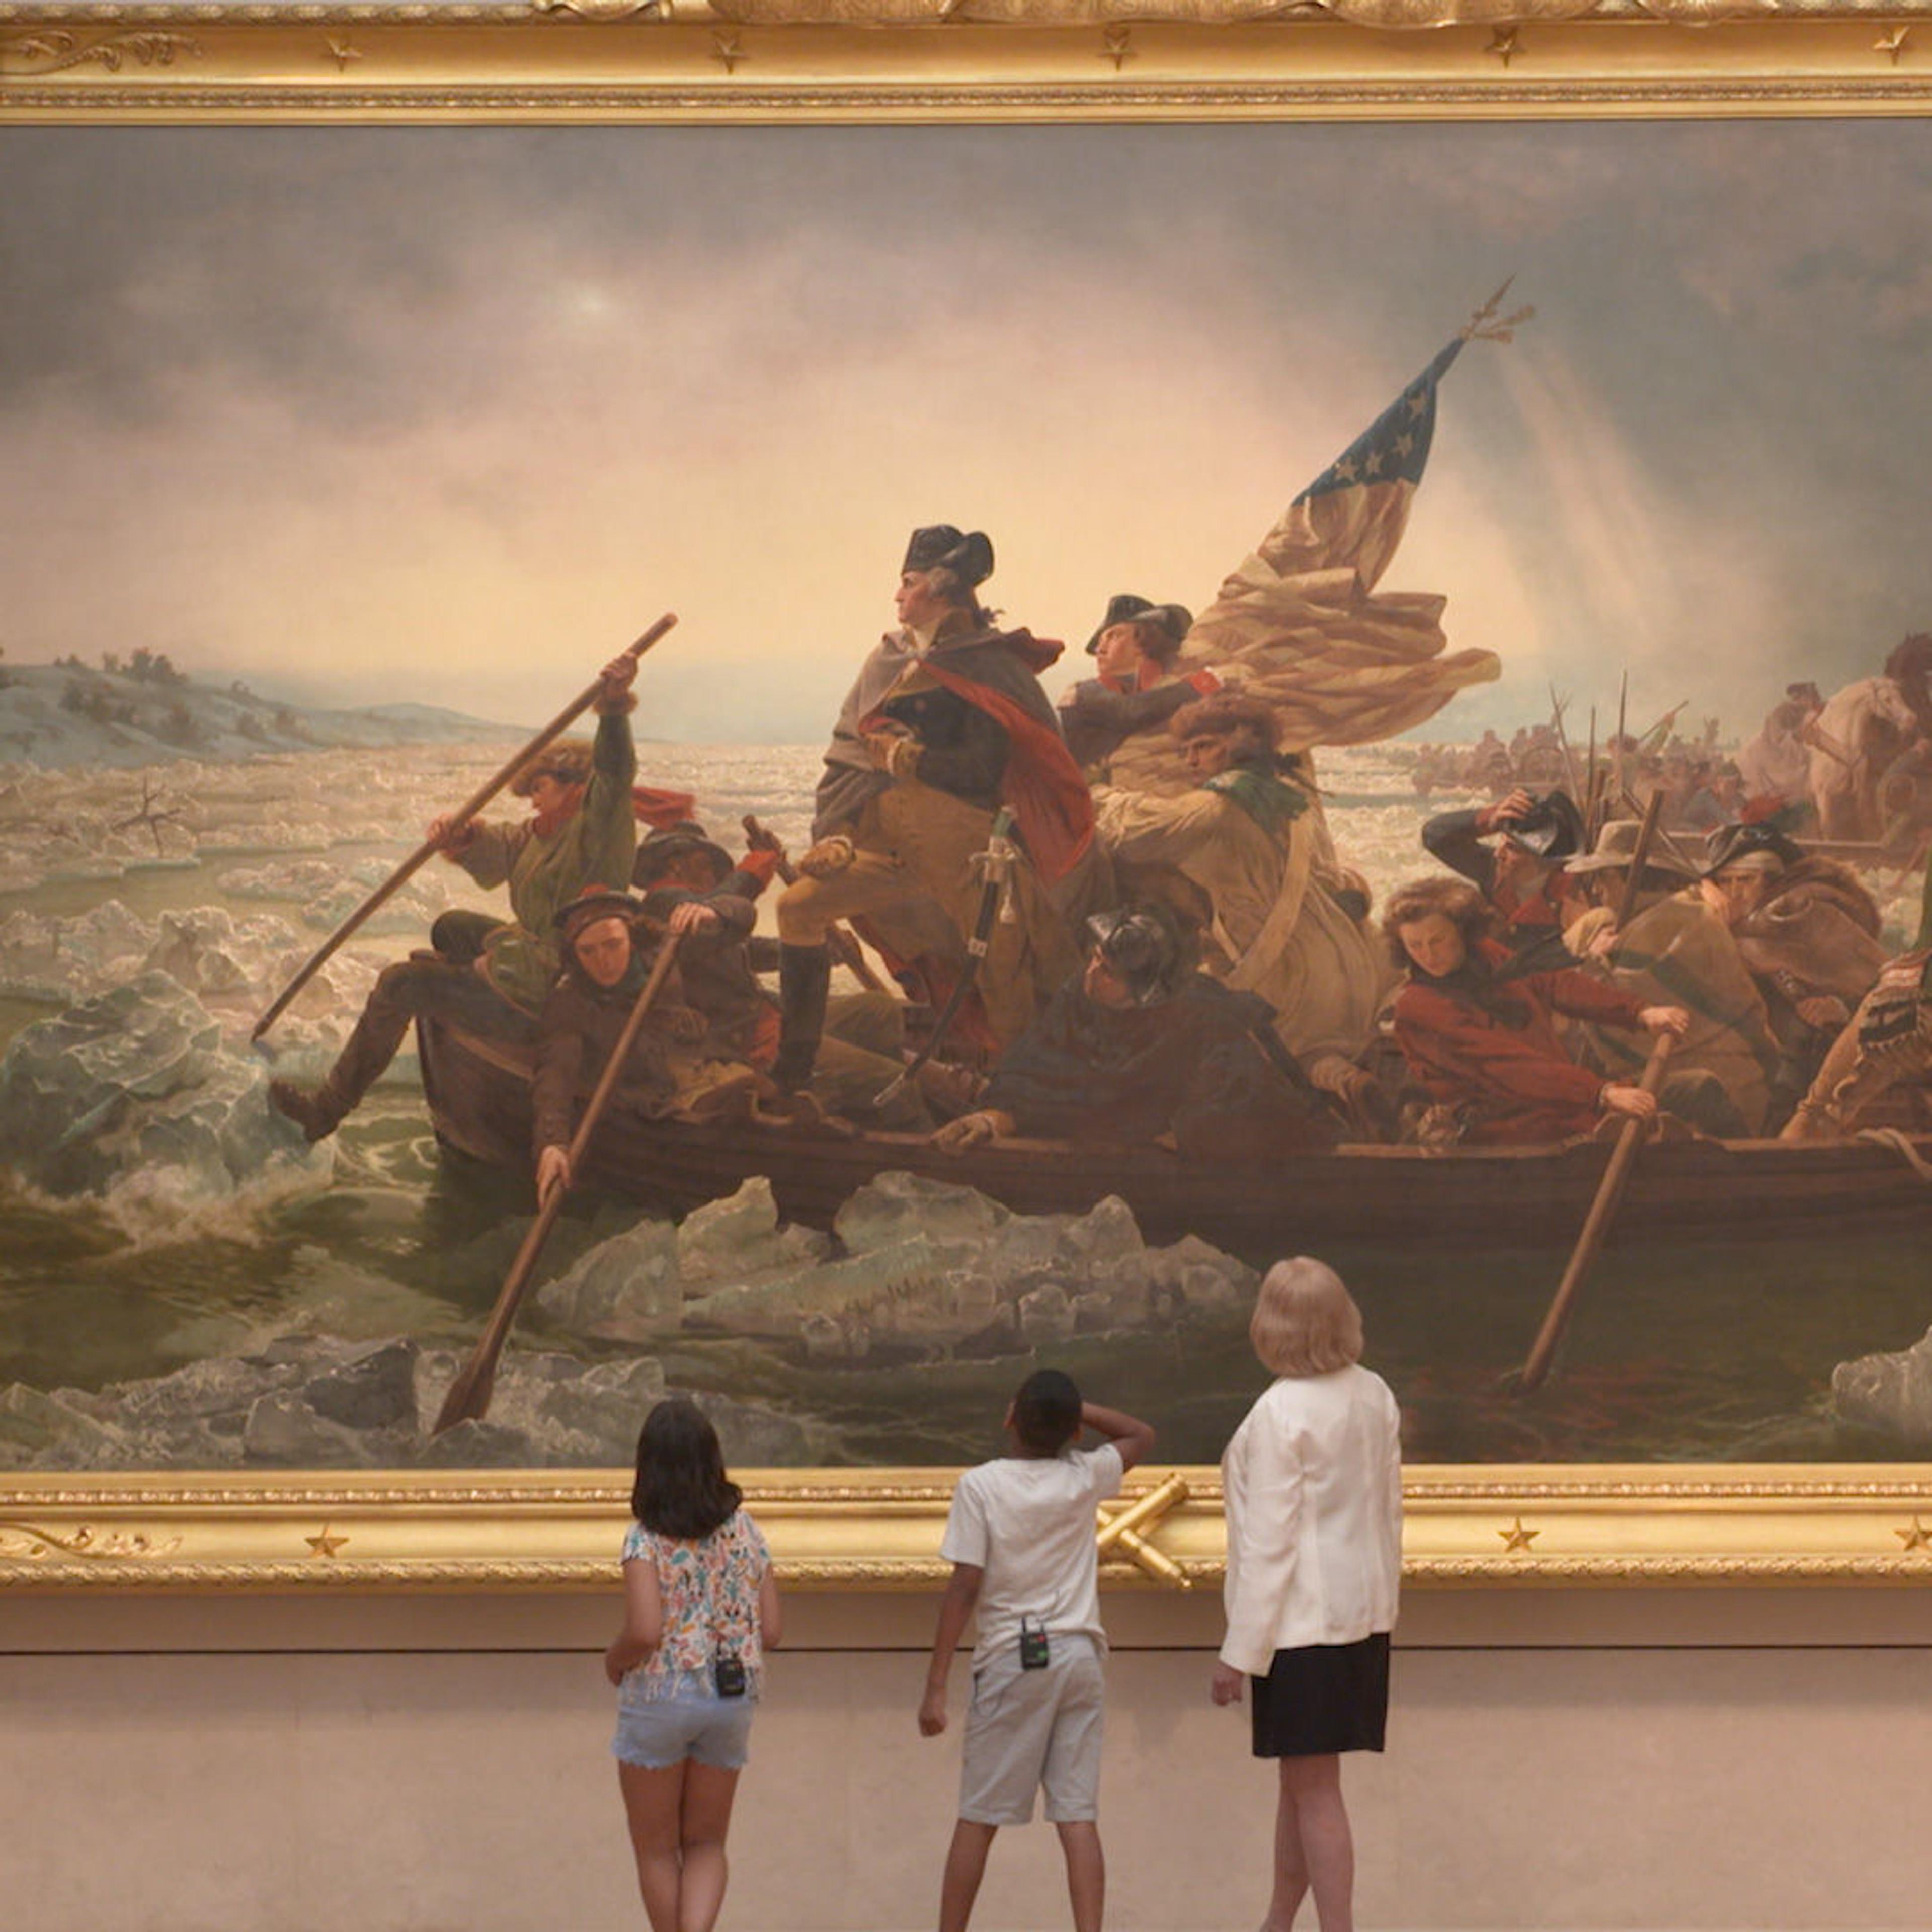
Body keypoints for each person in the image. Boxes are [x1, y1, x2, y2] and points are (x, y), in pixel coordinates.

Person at [774, 524, 1098, 1089]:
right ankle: (793, 1071)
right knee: (798, 911)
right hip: (884, 841)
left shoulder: (989, 665)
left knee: (1003, 967)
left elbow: (983, 770)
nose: (897, 596)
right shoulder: (889, 658)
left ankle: (1022, 1093)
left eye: (909, 583)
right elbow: (848, 755)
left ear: (943, 588)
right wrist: (834, 834)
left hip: (969, 845)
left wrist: (908, 760)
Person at [270, 650, 641, 1142]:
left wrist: (614, 710)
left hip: (562, 982)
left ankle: (327, 1109)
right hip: (531, 954)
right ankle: (459, 990)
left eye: (541, 787)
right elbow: (502, 844)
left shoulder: (598, 829)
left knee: (400, 984)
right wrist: (459, 834)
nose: (531, 799)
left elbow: (614, 774)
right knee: (450, 927)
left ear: (576, 787)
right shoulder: (540, 834)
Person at [918, 1370, 1155, 1932]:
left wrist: (935, 1685)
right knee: (1077, 1816)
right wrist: (1078, 1412)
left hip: (1014, 1656)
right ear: (1072, 1433)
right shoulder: (1084, 1473)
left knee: (979, 1814)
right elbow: (1141, 1435)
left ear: (1010, 1418)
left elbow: (965, 1586)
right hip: (1079, 1654)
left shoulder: (982, 1486)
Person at [1211, 1257, 1402, 1932]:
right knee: (1301, 1789)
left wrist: (1239, 1652)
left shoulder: (1279, 1414)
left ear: (1271, 1325)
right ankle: (1277, 1922)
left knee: (1314, 1793)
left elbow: (1269, 1546)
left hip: (1299, 1629)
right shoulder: (1374, 1392)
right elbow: (1388, 1512)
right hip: (1361, 1617)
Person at [1091, 691, 1389, 1078]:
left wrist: (1097, 792)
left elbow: (1134, 832)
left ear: (1241, 746)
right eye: (1187, 750)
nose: (1191, 760)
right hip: (1344, 965)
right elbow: (1336, 878)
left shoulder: (1218, 807)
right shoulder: (1291, 798)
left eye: (1204, 747)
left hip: (1282, 973)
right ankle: (1340, 1081)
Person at [932, 905, 1337, 1160]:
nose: (1092, 973)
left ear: (1143, 992)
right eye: (1095, 959)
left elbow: (1261, 1102)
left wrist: (1188, 1133)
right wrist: (992, 1118)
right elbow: (1034, 1063)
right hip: (1096, 1126)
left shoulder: (1200, 1015)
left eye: (1108, 972)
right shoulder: (1081, 994)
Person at [605, 1397, 782, 1932]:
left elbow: (643, 1630)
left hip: (660, 1696)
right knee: (707, 1842)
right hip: (731, 1699)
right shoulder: (746, 1532)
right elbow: (771, 1630)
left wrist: (613, 1662)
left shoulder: (644, 1540)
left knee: (657, 1850)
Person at [634, 822, 932, 1130]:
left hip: (772, 1020)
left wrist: (823, 950)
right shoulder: (666, 902)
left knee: (877, 1010)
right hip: (752, 1046)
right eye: (706, 865)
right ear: (675, 865)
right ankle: (905, 1126)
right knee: (897, 1084)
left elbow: (752, 950)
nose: (714, 875)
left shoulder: (708, 917)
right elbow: (714, 909)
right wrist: (756, 868)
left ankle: (866, 1108)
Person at [1382, 876, 1706, 1145]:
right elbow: (1505, 1065)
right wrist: (1600, 1094)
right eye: (1415, 946)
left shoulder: (1486, 957)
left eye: (1438, 940)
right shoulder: (1418, 1007)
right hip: (1509, 1134)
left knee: (1700, 1088)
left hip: (1558, 1107)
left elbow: (1553, 984)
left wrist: (1639, 1013)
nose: (1428, 955)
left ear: (1463, 934)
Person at [533, 891, 770, 1209]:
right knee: (738, 1103)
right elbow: (555, 1074)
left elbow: (743, 915)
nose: (603, 961)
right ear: (574, 954)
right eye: (588, 952)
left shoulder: (665, 952)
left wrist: (712, 912)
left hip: (703, 1065)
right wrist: (553, 1144)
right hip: (650, 1092)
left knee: (765, 1094)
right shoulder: (569, 1001)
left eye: (612, 945)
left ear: (631, 937)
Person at [1056, 594, 1220, 777]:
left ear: (1143, 641)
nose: (1100, 649)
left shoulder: (1153, 688)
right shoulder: (1084, 693)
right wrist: (1201, 685)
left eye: (1114, 636)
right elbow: (1131, 712)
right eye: (1102, 641)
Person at [1418, 785, 1586, 959]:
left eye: (1512, 848)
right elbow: (1434, 835)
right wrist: (1491, 818)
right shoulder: (1493, 869)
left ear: (1543, 861)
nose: (1499, 853)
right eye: (1501, 841)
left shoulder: (1572, 892)